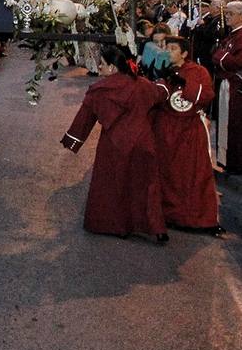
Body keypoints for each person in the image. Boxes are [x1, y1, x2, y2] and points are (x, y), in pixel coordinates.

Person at [60, 49, 169, 241]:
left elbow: (84, 119)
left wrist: (73, 141)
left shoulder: (99, 90)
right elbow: (161, 95)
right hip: (144, 141)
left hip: (114, 144)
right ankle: (156, 228)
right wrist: (163, 81)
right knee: (146, 185)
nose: (99, 66)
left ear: (112, 67)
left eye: (101, 63)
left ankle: (117, 225)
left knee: (114, 186)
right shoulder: (143, 85)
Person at [155, 39, 224, 236]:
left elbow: (207, 95)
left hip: (190, 129)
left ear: (184, 53)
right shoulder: (164, 70)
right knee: (169, 173)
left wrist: (184, 83)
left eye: (173, 48)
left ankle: (198, 219)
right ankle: (170, 215)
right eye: (166, 48)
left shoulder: (198, 71)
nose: (168, 52)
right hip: (167, 128)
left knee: (195, 174)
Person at [212, 1, 242, 171]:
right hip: (226, 84)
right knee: (225, 122)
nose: (227, 17)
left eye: (230, 14)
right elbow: (216, 53)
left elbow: (235, 62)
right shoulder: (232, 35)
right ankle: (226, 159)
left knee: (234, 125)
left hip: (235, 86)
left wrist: (221, 57)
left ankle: (235, 162)